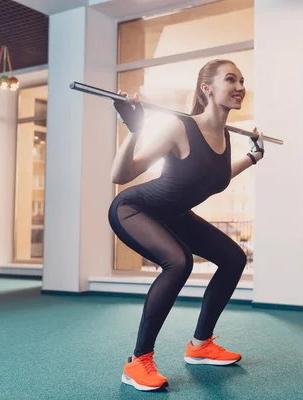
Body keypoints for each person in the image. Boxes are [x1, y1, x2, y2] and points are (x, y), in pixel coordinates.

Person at [108, 59, 265, 391]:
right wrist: (133, 130)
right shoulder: (180, 127)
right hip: (135, 209)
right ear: (206, 88)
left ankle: (200, 344)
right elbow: (120, 176)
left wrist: (253, 157)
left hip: (174, 215)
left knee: (234, 259)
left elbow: (215, 177)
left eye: (241, 80)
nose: (240, 87)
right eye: (231, 79)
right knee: (178, 262)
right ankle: (138, 361)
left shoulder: (224, 137)